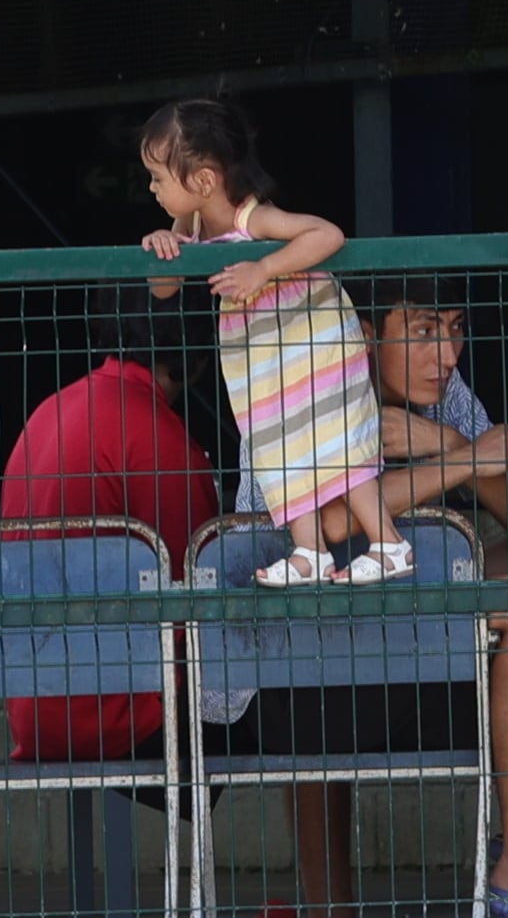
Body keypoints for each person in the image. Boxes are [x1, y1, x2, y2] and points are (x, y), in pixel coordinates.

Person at [240, 285, 508, 918]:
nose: (446, 354)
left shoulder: (445, 392)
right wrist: (465, 463)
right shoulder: (306, 381)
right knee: (313, 685)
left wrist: (449, 443)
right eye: (423, 331)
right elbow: (331, 524)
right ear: (368, 337)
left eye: (456, 328)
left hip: (412, 648)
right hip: (304, 663)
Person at [135, 97, 412, 586]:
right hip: (262, 356)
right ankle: (311, 553)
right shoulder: (190, 225)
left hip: (309, 340)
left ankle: (389, 543)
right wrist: (162, 244)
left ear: (201, 181)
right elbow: (165, 289)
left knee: (334, 439)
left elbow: (326, 234)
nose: (152, 188)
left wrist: (263, 267)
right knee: (278, 444)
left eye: (158, 177)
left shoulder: (253, 219)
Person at [0, 310, 219, 766]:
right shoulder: (161, 438)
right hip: (124, 717)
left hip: (32, 708)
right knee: (297, 704)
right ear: (201, 352)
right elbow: (202, 594)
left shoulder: (47, 411)